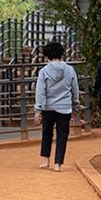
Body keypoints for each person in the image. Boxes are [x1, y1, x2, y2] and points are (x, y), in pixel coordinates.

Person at [33, 41, 79, 172]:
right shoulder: (70, 70)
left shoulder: (44, 72)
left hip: (48, 108)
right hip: (64, 108)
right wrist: (75, 106)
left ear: (47, 55)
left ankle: (45, 160)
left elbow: (40, 92)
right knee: (62, 135)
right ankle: (58, 164)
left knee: (47, 133)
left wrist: (38, 110)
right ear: (61, 54)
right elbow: (74, 90)